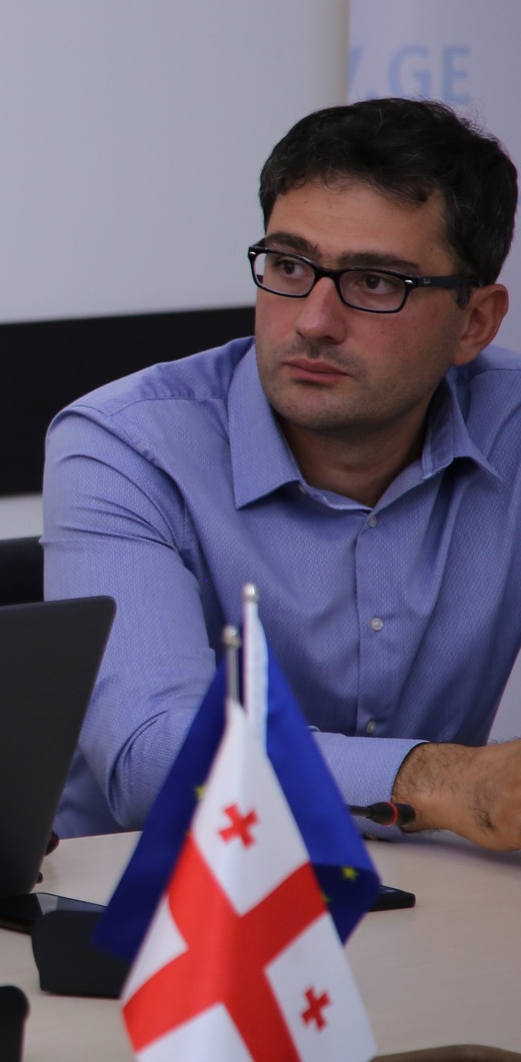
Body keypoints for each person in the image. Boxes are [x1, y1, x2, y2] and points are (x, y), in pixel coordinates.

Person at [45, 98, 521, 849]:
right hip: (160, 898)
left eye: (375, 282)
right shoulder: (126, 446)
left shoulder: (511, 425)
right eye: (290, 266)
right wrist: (440, 781)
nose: (313, 322)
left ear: (475, 322)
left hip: (431, 893)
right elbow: (152, 754)